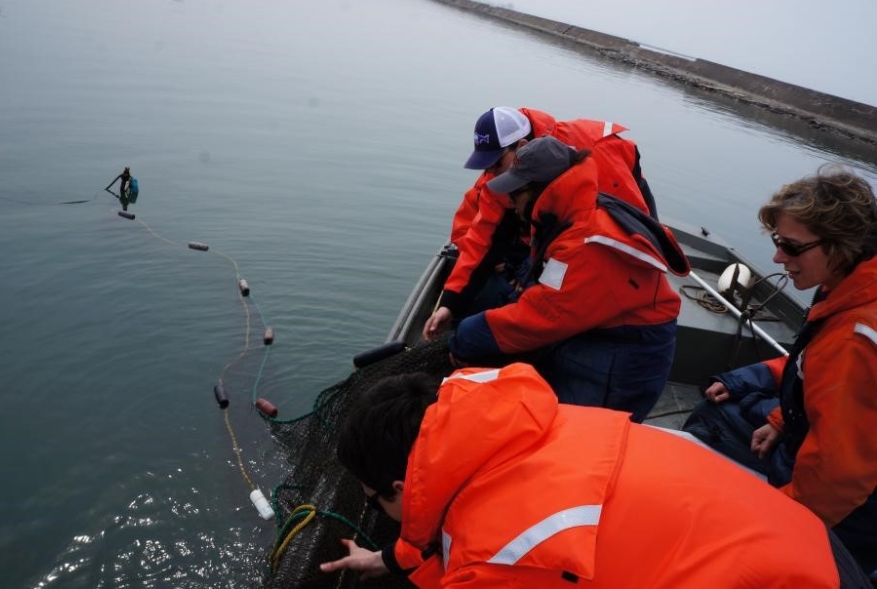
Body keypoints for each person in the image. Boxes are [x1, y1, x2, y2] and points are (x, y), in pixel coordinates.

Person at [319, 363, 868, 587]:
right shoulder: (538, 427)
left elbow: (492, 546)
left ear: (398, 486)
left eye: (374, 505)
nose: (381, 515)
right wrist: (388, 558)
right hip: (808, 547)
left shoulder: (494, 560)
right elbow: (451, 510)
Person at [683, 165, 877, 577]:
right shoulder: (848, 286)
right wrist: (779, 418)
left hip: (849, 513)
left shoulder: (856, 339)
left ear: (840, 246)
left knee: (711, 424)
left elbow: (837, 478)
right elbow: (814, 369)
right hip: (810, 439)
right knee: (719, 410)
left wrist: (773, 528)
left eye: (790, 246)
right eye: (776, 242)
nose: (776, 257)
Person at [446, 136, 689, 421]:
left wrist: (469, 335)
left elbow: (543, 315)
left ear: (541, 191)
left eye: (515, 194)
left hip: (627, 352)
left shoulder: (585, 244)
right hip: (601, 327)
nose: (509, 202)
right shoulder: (574, 212)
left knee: (573, 431)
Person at [424, 106, 658, 340]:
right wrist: (450, 302)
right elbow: (481, 241)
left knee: (609, 275)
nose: (490, 173)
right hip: (555, 224)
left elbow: (626, 231)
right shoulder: (498, 179)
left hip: (617, 200)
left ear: (522, 146)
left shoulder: (597, 156)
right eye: (486, 165)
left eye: (495, 163)